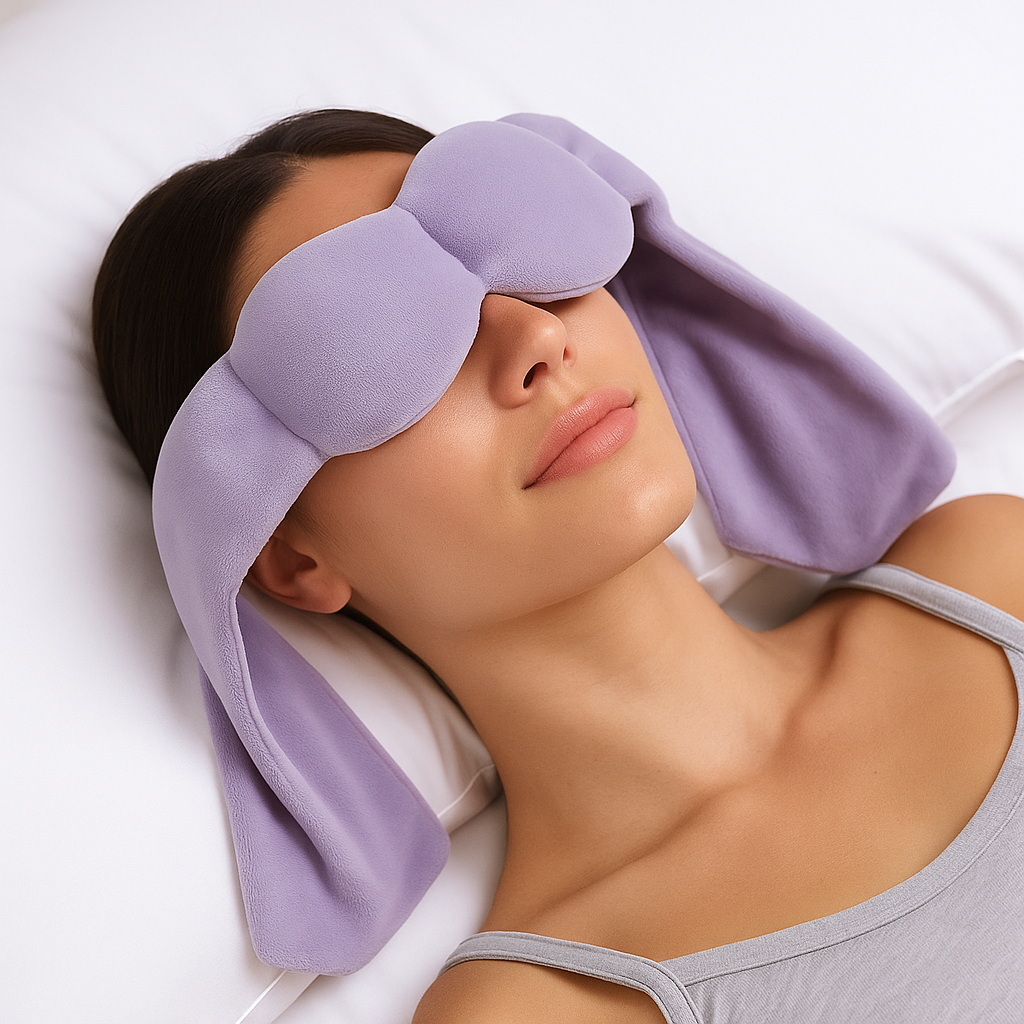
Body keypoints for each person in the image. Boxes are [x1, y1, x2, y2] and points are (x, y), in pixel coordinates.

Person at [93, 109, 1024, 1023]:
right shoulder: (542, 1010)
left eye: (527, 258)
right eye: (380, 340)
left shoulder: (994, 569)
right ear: (292, 558)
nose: (536, 339)